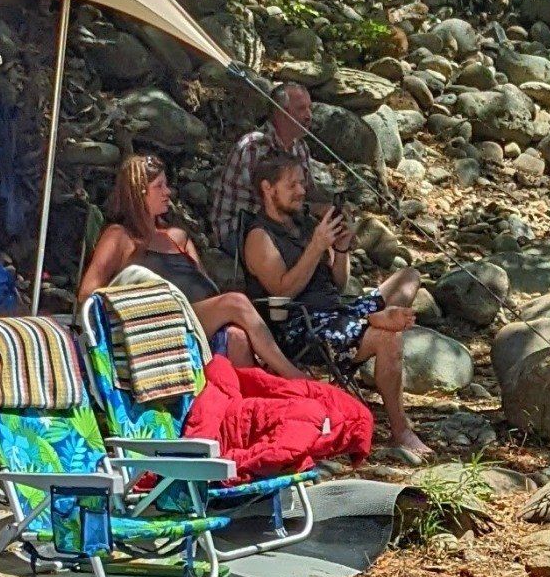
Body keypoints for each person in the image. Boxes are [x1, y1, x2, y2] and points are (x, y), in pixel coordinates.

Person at [239, 151, 429, 463]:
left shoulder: (303, 225)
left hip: (337, 314)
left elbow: (338, 284)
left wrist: (340, 249)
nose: (302, 191)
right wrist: (316, 246)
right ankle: (401, 430)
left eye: (302, 183)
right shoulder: (259, 236)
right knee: (388, 338)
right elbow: (282, 291)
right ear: (268, 188)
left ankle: (373, 320)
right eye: (292, 185)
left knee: (408, 277)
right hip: (301, 326)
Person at [77, 154, 300, 377]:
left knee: (237, 337)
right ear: (138, 192)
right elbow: (88, 293)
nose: (168, 192)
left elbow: (206, 285)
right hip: (160, 323)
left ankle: (258, 393)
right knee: (236, 302)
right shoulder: (120, 236)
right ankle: (295, 378)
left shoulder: (178, 237)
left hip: (197, 322)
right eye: (159, 186)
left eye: (166, 185)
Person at [212, 83, 315, 263]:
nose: (309, 115)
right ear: (281, 113)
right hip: (239, 229)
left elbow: (307, 194)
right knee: (298, 256)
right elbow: (272, 206)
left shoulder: (301, 148)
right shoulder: (254, 146)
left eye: (310, 108)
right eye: (301, 109)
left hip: (279, 226)